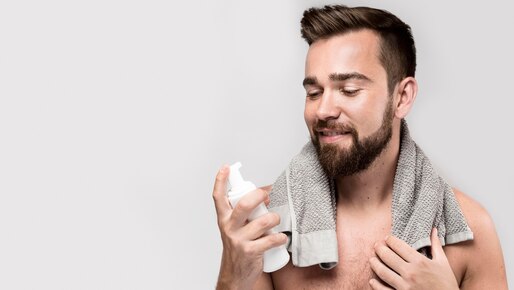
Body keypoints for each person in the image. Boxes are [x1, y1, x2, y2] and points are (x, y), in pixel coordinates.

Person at [211, 5, 507, 290]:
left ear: (402, 97)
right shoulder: (266, 225)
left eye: (349, 90)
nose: (323, 109)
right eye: (314, 93)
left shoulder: (470, 229)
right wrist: (231, 277)